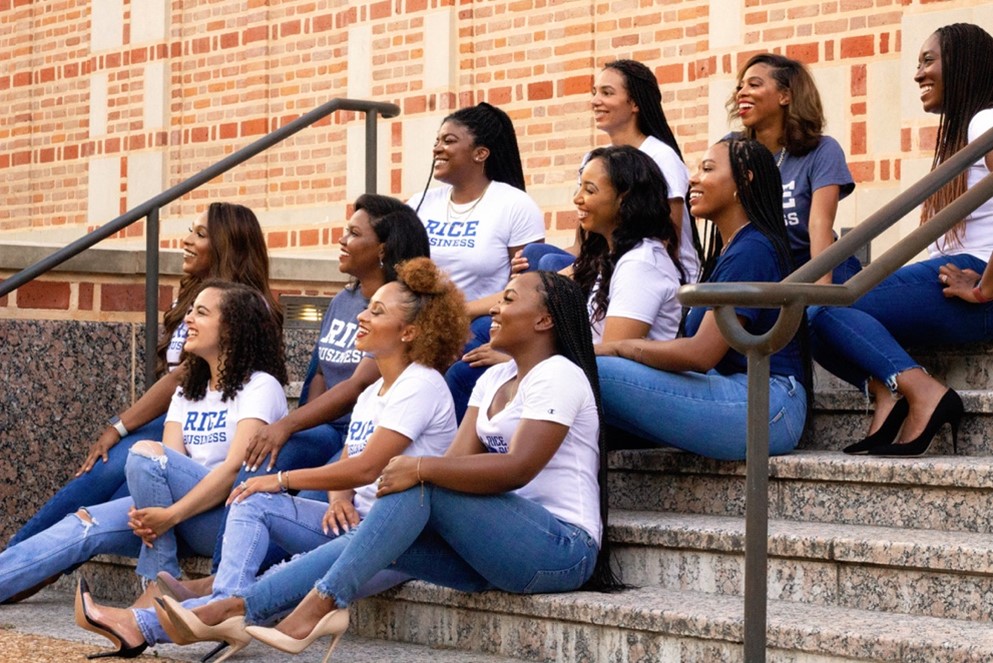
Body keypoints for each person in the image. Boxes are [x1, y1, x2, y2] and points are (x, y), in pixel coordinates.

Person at [151, 271, 619, 662]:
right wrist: (416, 474)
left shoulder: (559, 374)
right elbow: (454, 463)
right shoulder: (494, 376)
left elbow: (517, 469)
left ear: (544, 319)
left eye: (509, 299)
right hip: (499, 548)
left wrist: (416, 471)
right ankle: (234, 607)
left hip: (561, 549)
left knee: (416, 481)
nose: (494, 307)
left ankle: (319, 602)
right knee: (386, 527)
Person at [74, 257, 468, 660]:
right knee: (252, 501)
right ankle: (223, 603)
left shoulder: (420, 384)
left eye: (377, 312)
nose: (362, 316)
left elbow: (368, 467)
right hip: (352, 522)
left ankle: (141, 625)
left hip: (392, 540)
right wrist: (338, 498)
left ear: (410, 332)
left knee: (276, 574)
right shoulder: (372, 392)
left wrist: (281, 480)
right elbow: (350, 464)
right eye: (368, 307)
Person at [3, 202, 280, 603]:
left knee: (143, 456)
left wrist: (167, 514)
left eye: (201, 314)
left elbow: (231, 473)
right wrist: (160, 510)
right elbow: (166, 465)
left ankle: (158, 583)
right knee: (86, 523)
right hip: (175, 509)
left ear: (233, 326)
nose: (188, 323)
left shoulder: (261, 388)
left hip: (219, 515)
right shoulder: (188, 389)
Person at [808, 23, 993, 456]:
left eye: (928, 60)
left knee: (826, 309)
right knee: (815, 307)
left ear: (964, 64)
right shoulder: (967, 128)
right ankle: (890, 390)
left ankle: (924, 392)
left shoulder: (986, 119)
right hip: (954, 282)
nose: (917, 74)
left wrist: (988, 286)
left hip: (973, 282)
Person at [595, 137, 810, 461]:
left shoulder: (752, 250)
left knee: (590, 367)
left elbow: (700, 354)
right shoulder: (731, 249)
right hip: (739, 392)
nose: (692, 179)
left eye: (707, 169)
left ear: (745, 179)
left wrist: (619, 347)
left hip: (770, 406)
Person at [408, 102, 546, 421]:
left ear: (480, 153)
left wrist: (455, 314)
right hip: (420, 318)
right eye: (437, 141)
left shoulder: (514, 205)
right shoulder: (420, 203)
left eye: (449, 140)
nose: (437, 148)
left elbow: (529, 292)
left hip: (481, 321)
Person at [523, 59, 701, 283]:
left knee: (546, 269)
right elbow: (581, 246)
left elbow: (667, 245)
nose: (595, 101)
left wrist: (550, 281)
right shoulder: (594, 159)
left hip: (650, 272)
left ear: (634, 102)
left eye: (607, 93)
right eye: (595, 92)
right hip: (603, 263)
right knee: (534, 256)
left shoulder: (661, 157)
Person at [728, 53, 858, 284]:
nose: (742, 92)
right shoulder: (731, 149)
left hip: (819, 265)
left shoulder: (822, 150)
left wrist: (820, 291)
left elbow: (820, 224)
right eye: (740, 86)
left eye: (754, 84)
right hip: (764, 268)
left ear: (785, 96)